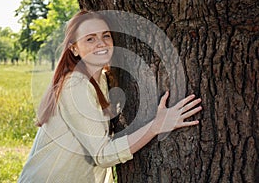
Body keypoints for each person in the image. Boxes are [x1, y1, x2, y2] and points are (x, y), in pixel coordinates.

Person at [18, 10, 202, 183]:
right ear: (74, 49)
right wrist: (156, 126)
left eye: (105, 35)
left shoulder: (103, 80)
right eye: (90, 39)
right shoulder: (76, 85)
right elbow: (103, 155)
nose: (101, 43)